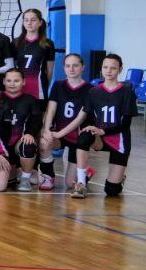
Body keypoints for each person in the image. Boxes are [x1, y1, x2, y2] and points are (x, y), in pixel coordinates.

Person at [72, 53, 137, 198]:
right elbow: (88, 116)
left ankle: (118, 179)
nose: (108, 71)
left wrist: (103, 131)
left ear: (120, 69)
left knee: (111, 191)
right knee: (84, 136)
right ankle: (81, 183)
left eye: (113, 68)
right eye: (105, 67)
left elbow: (126, 124)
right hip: (100, 139)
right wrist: (91, 128)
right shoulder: (94, 91)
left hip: (119, 141)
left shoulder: (127, 93)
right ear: (101, 69)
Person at [43, 53, 90, 191]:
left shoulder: (90, 89)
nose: (71, 69)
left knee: (70, 184)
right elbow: (51, 109)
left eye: (75, 65)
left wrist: (60, 133)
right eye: (68, 66)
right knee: (44, 142)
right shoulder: (58, 85)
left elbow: (81, 118)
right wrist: (47, 129)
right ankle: (48, 176)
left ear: (83, 67)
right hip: (59, 135)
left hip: (77, 138)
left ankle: (87, 173)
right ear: (64, 68)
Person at [0, 68, 42, 192]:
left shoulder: (31, 100)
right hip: (1, 145)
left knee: (28, 145)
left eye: (16, 81)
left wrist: (30, 133)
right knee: (3, 184)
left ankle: (25, 179)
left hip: (19, 142)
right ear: (3, 81)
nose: (12, 84)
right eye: (9, 81)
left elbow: (37, 121)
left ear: (23, 82)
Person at [13, 9, 54, 100]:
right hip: (18, 87)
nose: (29, 23)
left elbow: (50, 71)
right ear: (23, 23)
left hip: (38, 89)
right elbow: (12, 67)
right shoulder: (16, 43)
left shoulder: (48, 44)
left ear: (40, 22)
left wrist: (44, 84)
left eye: (33, 20)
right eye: (26, 20)